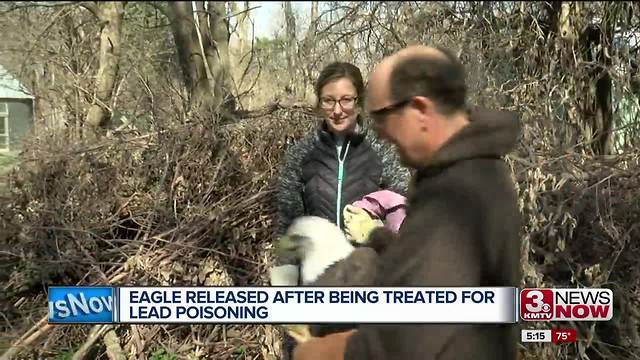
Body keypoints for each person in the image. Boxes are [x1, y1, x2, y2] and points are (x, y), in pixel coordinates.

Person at [291, 46, 523, 360]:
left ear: (420, 109)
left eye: (383, 119)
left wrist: (323, 353)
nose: (383, 134)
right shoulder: (469, 174)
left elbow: (412, 336)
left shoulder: (458, 195)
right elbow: (431, 270)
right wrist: (378, 242)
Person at [271, 61, 410, 359]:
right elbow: (287, 228)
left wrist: (375, 232)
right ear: (319, 102)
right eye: (329, 100)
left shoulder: (383, 152)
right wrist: (284, 291)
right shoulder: (301, 155)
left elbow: (404, 220)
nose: (337, 110)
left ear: (359, 102)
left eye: (346, 100)